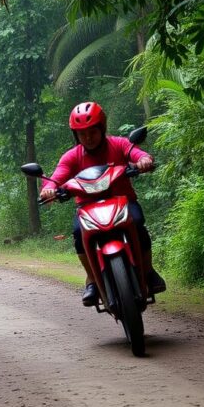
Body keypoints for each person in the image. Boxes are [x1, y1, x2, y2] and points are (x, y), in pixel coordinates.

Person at [39, 101, 166, 306]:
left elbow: (137, 153)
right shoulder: (72, 156)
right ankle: (92, 280)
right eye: (82, 134)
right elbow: (57, 177)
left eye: (92, 132)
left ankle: (148, 271)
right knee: (79, 234)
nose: (88, 138)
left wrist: (143, 160)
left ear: (102, 128)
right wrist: (48, 189)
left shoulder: (119, 144)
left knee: (139, 223)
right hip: (87, 209)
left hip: (122, 203)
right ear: (76, 135)